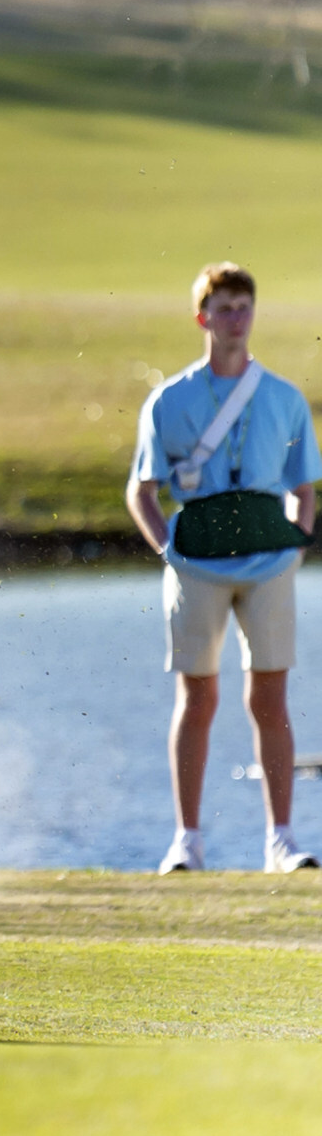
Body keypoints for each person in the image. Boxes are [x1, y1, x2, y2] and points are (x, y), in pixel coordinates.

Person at [127, 263, 322, 874]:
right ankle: (187, 841)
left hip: (269, 564)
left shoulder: (284, 397)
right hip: (196, 566)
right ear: (202, 317)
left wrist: (296, 544)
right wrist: (167, 549)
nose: (235, 319)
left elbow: (304, 488)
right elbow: (143, 490)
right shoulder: (170, 400)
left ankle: (281, 842)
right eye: (224, 308)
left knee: (270, 697)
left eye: (244, 307)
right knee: (198, 696)